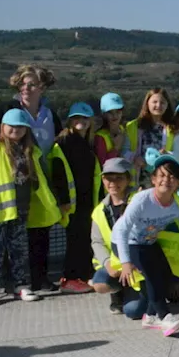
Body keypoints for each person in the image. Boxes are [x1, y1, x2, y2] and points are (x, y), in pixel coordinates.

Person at [111, 149, 179, 336]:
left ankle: (150, 317)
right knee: (151, 275)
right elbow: (123, 229)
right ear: (153, 179)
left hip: (147, 242)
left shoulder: (176, 206)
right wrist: (126, 262)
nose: (167, 180)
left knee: (165, 274)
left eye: (172, 176)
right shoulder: (142, 200)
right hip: (125, 241)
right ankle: (165, 316)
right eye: (162, 175)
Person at [0, 64, 63, 236]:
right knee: (10, 244)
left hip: (40, 187)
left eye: (31, 84)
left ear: (43, 87)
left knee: (39, 238)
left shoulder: (50, 115)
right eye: (22, 84)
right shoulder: (6, 110)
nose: (26, 88)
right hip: (15, 190)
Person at [0, 108, 62, 306]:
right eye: (12, 126)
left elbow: (39, 179)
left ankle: (21, 285)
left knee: (20, 250)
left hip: (21, 210)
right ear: (3, 127)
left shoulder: (30, 150)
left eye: (21, 127)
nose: (16, 130)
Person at [49, 102, 100, 294]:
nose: (82, 121)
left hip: (86, 200)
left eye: (85, 118)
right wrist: (63, 201)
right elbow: (58, 172)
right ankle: (69, 278)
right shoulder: (64, 142)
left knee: (84, 238)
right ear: (70, 120)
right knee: (75, 240)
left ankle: (82, 276)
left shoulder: (85, 142)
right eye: (77, 118)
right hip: (72, 201)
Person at [88, 158, 141, 315]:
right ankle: (118, 291)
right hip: (115, 265)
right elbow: (96, 242)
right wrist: (107, 263)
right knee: (99, 284)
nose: (113, 182)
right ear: (103, 179)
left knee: (133, 312)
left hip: (137, 266)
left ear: (128, 179)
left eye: (119, 178)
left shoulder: (138, 201)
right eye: (108, 178)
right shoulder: (99, 210)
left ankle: (142, 294)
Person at [123, 88, 173, 187]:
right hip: (139, 178)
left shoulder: (172, 128)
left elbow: (178, 154)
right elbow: (124, 151)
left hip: (163, 179)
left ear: (167, 105)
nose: (158, 105)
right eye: (154, 102)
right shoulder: (133, 126)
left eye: (162, 102)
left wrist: (167, 154)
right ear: (147, 103)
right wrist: (135, 158)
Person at [93, 93, 127, 166]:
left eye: (118, 112)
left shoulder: (122, 129)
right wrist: (116, 148)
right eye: (110, 112)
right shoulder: (100, 136)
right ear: (104, 114)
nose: (115, 115)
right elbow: (102, 164)